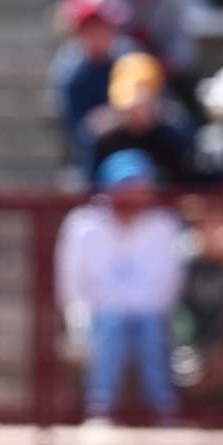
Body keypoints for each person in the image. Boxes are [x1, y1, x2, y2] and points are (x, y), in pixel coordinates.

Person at [57, 150, 185, 421]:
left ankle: (164, 411)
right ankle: (100, 410)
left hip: (152, 317)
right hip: (97, 319)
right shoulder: (82, 225)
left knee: (150, 329)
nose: (132, 197)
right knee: (111, 325)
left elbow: (169, 285)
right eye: (125, 189)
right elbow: (71, 285)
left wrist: (146, 312)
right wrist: (78, 323)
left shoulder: (164, 225)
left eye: (139, 190)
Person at [49, 0, 138, 171]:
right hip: (93, 162)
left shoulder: (128, 58)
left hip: (137, 149)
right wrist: (120, 116)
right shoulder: (70, 74)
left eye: (105, 28)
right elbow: (82, 131)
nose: (101, 35)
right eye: (94, 29)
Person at [83, 52, 194, 185]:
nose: (138, 111)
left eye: (144, 102)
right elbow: (91, 187)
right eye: (132, 106)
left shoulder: (175, 134)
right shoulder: (103, 137)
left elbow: (186, 185)